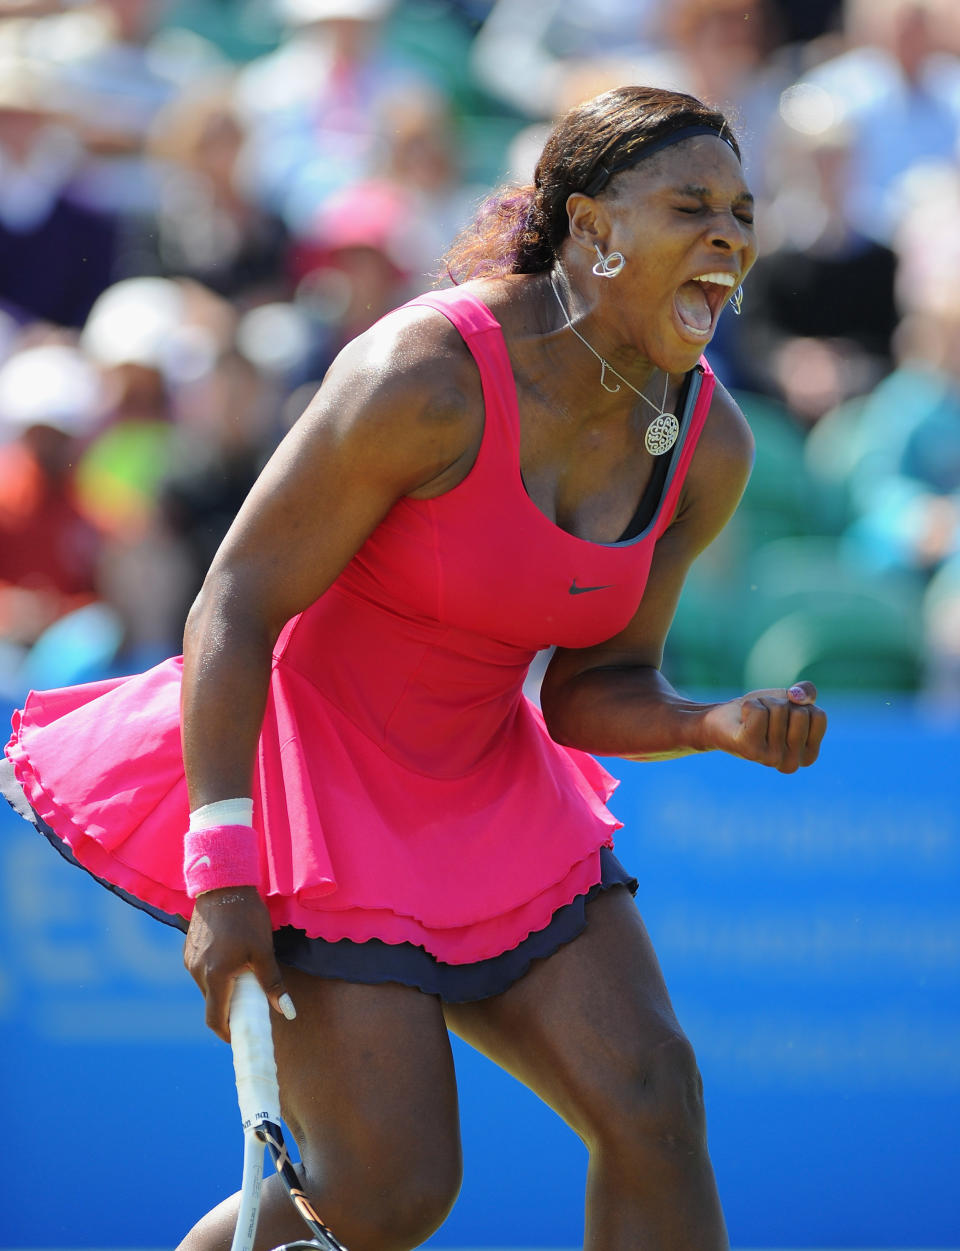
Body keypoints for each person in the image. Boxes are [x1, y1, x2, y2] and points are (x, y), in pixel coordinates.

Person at [2, 85, 827, 1251]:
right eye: (691, 206)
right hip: (313, 783)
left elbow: (589, 690)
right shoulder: (424, 373)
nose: (731, 236)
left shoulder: (706, 442)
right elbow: (232, 605)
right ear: (590, 229)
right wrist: (224, 873)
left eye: (743, 212)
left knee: (655, 1104)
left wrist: (710, 723)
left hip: (492, 785)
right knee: (388, 1197)